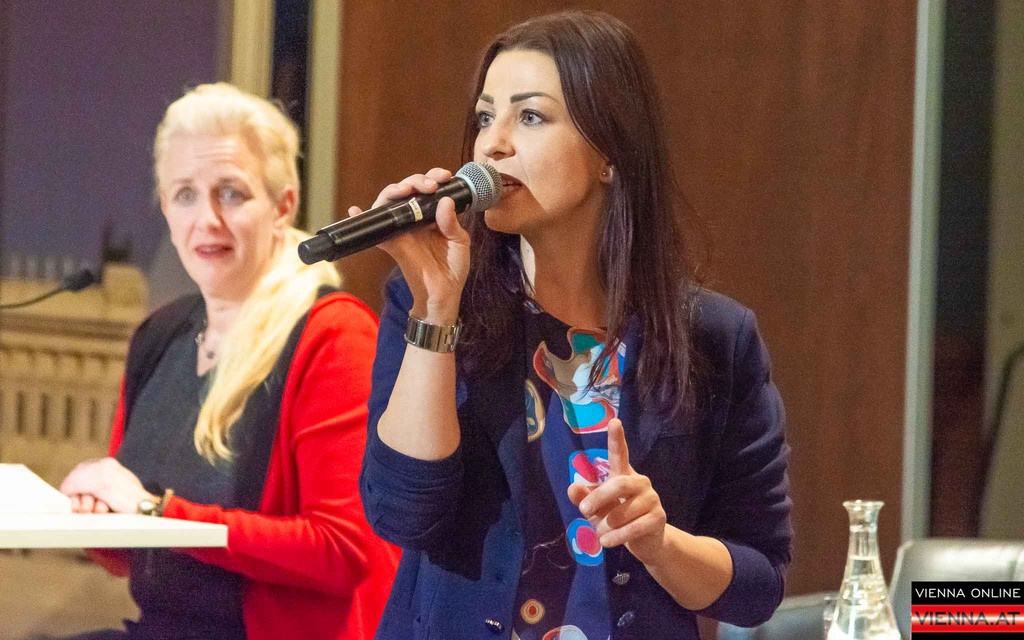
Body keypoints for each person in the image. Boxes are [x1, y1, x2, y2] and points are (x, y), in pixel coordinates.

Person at [356, 10, 793, 640]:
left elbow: (759, 585)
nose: (493, 144)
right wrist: (436, 309)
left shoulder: (715, 337)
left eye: (530, 116)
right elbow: (403, 514)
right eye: (485, 117)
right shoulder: (429, 303)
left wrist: (660, 544)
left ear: (609, 153)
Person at [58, 83, 398, 640]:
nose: (207, 219)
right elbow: (130, 552)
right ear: (165, 208)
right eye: (185, 195)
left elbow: (344, 550)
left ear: (283, 206)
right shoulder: (159, 335)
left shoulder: (334, 337)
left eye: (232, 193)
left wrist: (155, 512)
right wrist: (93, 510)